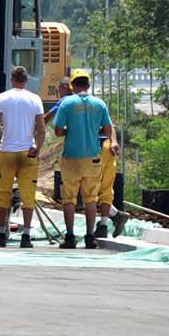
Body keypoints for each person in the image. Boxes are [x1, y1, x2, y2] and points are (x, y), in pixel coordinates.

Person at [49, 68, 118, 249]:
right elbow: (108, 129)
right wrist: (96, 132)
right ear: (88, 85)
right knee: (90, 199)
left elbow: (57, 131)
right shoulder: (99, 104)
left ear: (72, 85)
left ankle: (70, 236)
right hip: (92, 159)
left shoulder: (67, 103)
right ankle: (89, 237)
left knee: (69, 199)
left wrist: (68, 131)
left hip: (71, 158)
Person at [0, 64, 46, 247]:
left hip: (7, 151)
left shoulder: (3, 98)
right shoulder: (35, 99)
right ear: (26, 80)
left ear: (12, 79)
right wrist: (38, 148)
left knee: (3, 193)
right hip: (28, 151)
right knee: (28, 195)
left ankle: (2, 232)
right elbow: (42, 128)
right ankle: (26, 236)